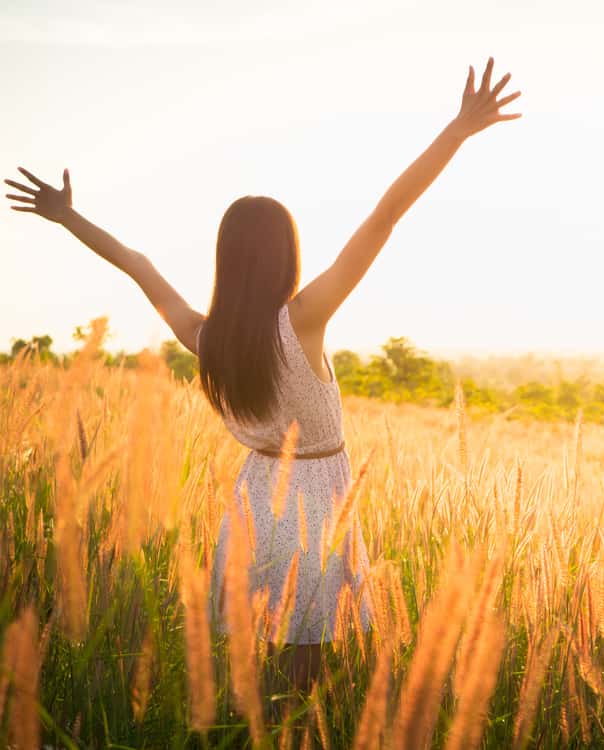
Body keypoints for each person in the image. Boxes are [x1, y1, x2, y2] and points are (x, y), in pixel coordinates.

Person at [5, 57, 520, 701]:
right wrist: (457, 132)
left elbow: (137, 264)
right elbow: (385, 216)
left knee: (268, 671)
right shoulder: (305, 320)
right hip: (318, 503)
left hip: (255, 500)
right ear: (286, 254)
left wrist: (69, 219)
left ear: (226, 257)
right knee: (309, 680)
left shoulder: (203, 334)